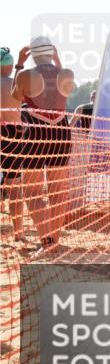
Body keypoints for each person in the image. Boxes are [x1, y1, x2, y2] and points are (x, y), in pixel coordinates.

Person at [11, 37, 75, 251]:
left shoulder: (25, 74)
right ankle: (54, 242)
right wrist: (58, 59)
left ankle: (47, 242)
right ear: (52, 52)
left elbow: (14, 96)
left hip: (35, 133)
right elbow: (65, 87)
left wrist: (20, 63)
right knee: (58, 191)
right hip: (61, 133)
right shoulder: (66, 74)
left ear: (32, 54)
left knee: (33, 192)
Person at [1, 47, 26, 242]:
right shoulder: (14, 86)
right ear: (9, 66)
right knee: (15, 186)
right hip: (12, 136)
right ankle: (19, 234)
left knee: (8, 185)